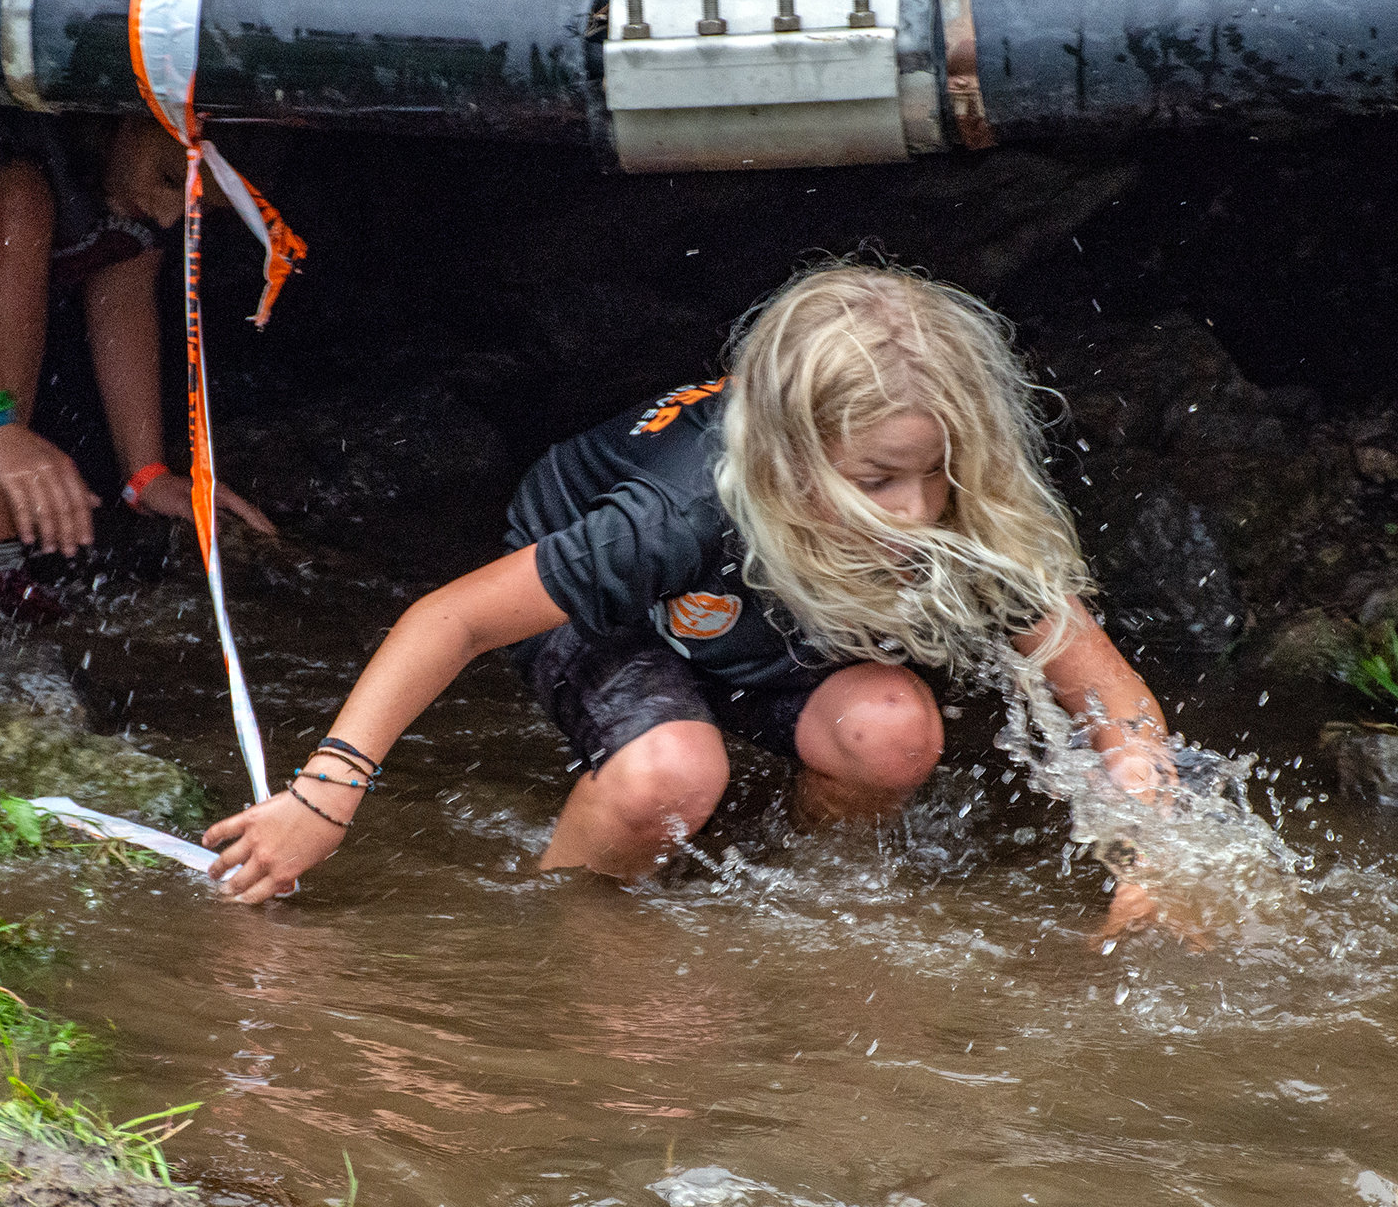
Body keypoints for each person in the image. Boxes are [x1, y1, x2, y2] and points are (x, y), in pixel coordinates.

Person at [202, 262, 1182, 937]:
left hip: (757, 606)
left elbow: (1108, 695)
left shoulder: (953, 509)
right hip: (629, 609)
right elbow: (446, 619)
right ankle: (569, 932)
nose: (917, 508)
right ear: (796, 460)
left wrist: (1152, 848)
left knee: (893, 730)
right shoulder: (673, 512)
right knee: (669, 771)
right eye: (881, 480)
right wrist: (320, 798)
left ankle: (813, 890)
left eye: (936, 475)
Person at [0, 106, 273, 606]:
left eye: (194, 206)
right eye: (168, 180)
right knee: (19, 199)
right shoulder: (12, 123)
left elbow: (125, 282)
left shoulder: (135, 188)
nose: (169, 215)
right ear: (138, 117)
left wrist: (147, 475)